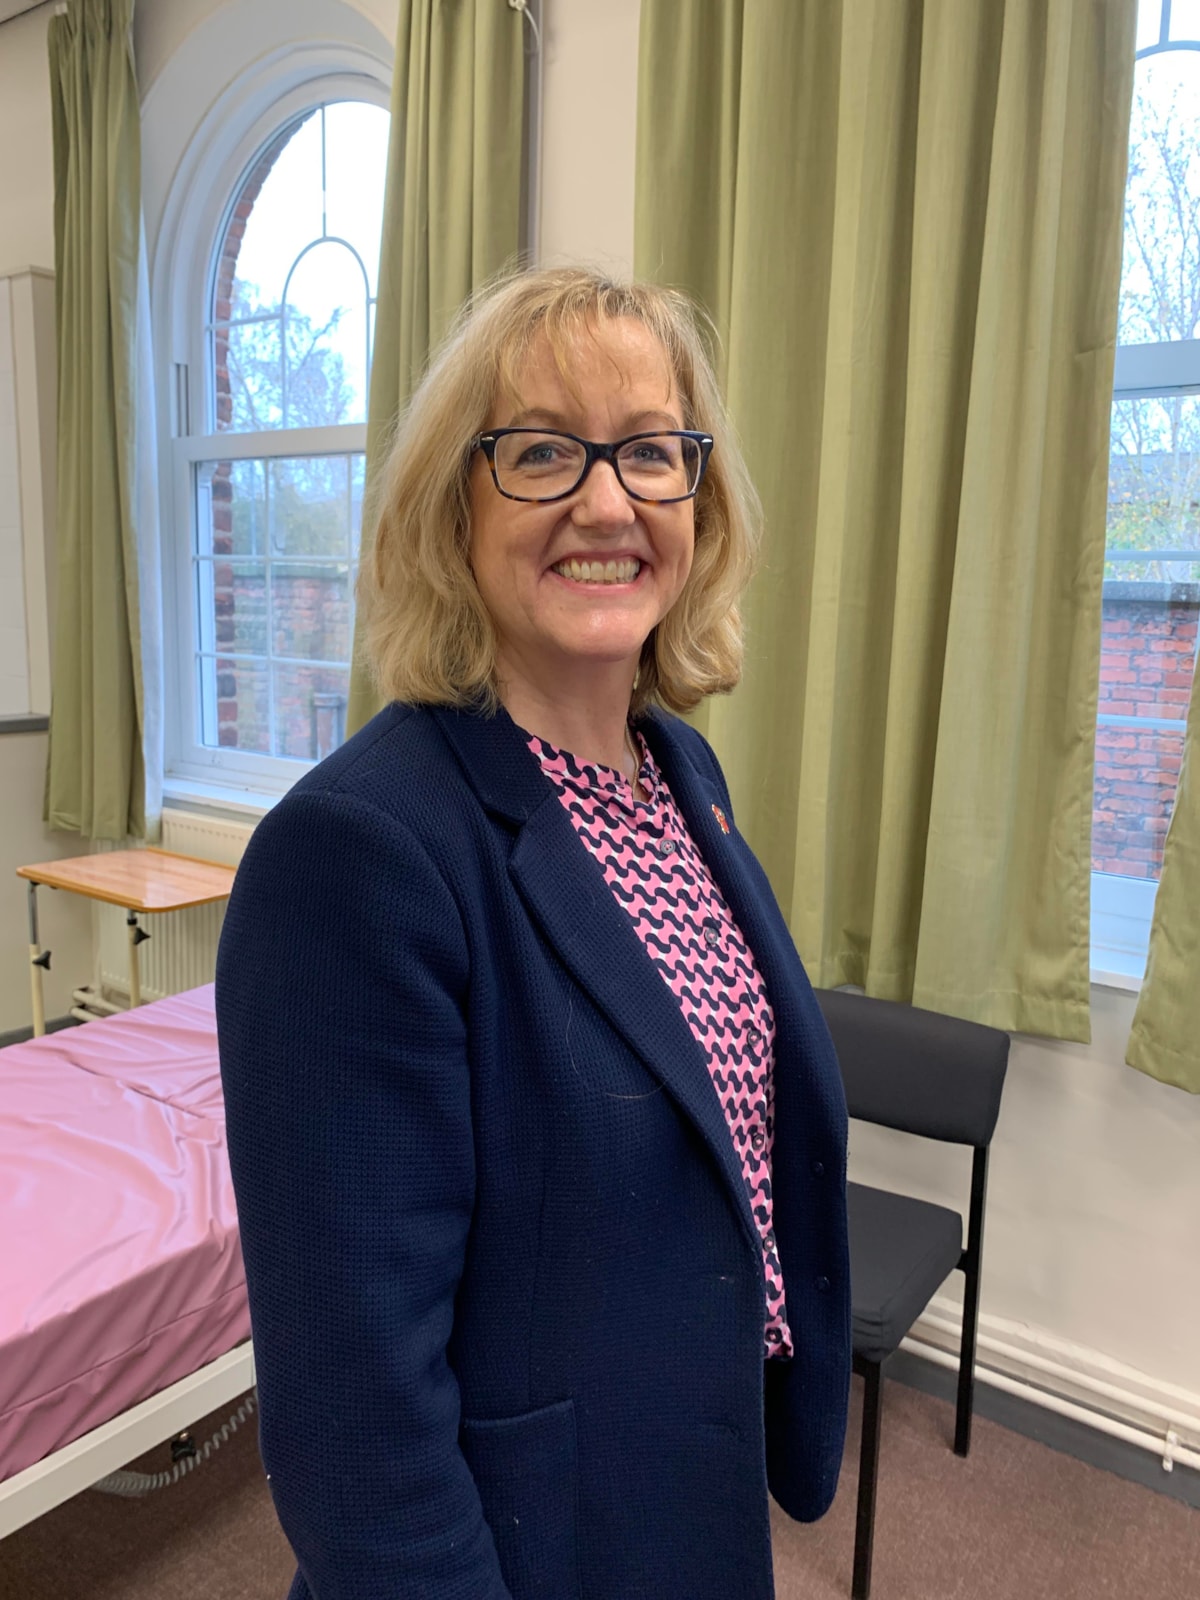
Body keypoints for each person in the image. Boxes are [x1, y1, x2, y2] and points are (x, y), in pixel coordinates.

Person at [216, 266, 850, 1600]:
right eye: (545, 451)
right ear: (456, 503)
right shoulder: (361, 853)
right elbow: (354, 1416)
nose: (608, 501)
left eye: (652, 453)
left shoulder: (681, 774)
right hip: (524, 1549)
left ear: (702, 499)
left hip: (685, 1488)